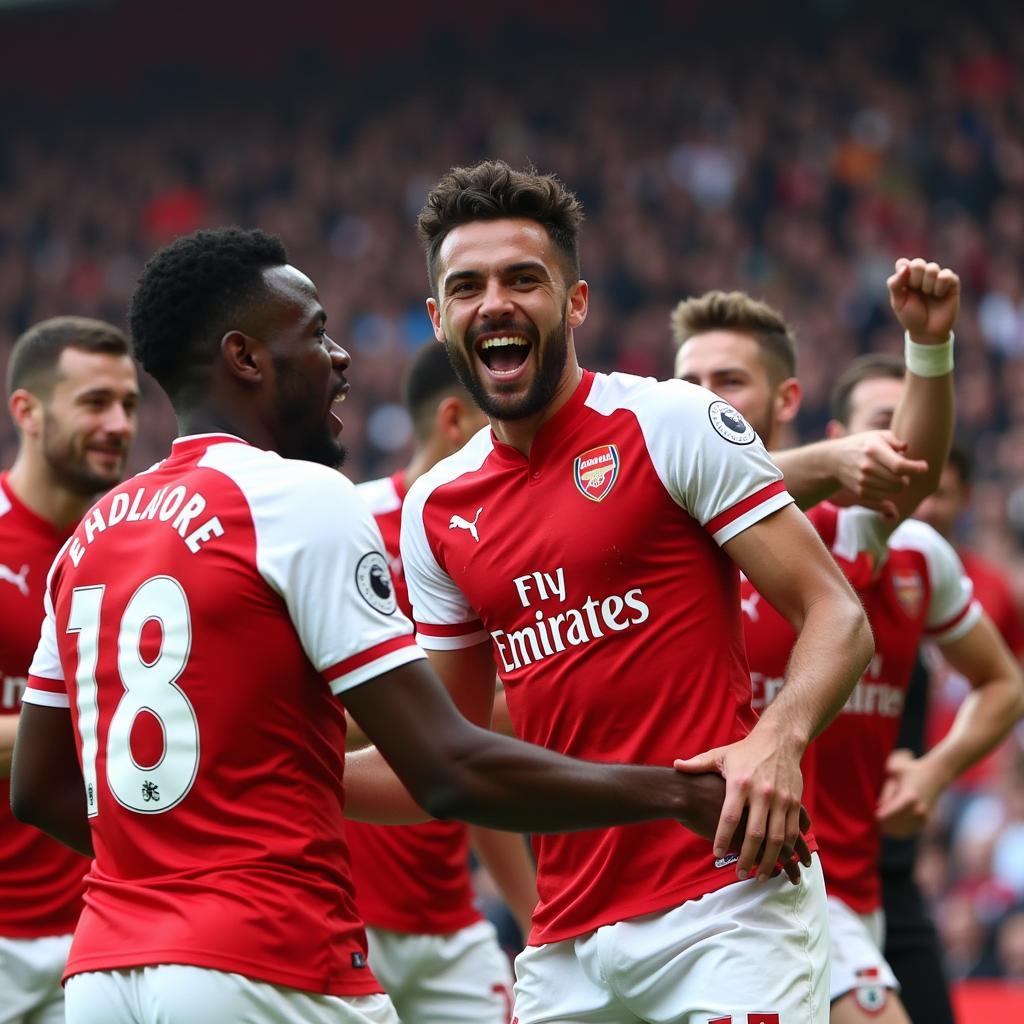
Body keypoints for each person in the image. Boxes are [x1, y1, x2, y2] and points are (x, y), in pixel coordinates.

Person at [10, 227, 789, 1024]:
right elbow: (446, 766)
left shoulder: (93, 536)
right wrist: (676, 793)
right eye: (315, 334)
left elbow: (36, 788)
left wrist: (173, 865)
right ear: (246, 358)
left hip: (105, 972)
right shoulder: (298, 500)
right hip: (267, 957)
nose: (341, 357)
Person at [390, 159, 874, 1024]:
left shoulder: (670, 421)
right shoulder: (435, 510)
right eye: (466, 287)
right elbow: (443, 757)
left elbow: (836, 613)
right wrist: (279, 770)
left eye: (522, 279)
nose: (494, 302)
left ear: (575, 303)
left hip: (727, 904)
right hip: (565, 943)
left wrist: (777, 739)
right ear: (439, 318)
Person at [673, 274, 1024, 1024]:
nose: (704, 399)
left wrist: (928, 346)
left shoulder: (842, 535)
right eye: (689, 382)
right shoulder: (657, 527)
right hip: (668, 886)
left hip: (810, 877)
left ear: (787, 401)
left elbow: (910, 472)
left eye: (728, 380)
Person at [348, 340, 535, 1023]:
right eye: (498, 420)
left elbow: (474, 749)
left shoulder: (489, 544)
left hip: (449, 917)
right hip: (343, 913)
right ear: (455, 421)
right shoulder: (347, 525)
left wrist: (529, 916)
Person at [0, 317, 138, 1024]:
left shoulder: (136, 544)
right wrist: (87, 715)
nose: (118, 424)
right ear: (26, 411)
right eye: (94, 403)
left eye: (129, 403)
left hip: (102, 925)